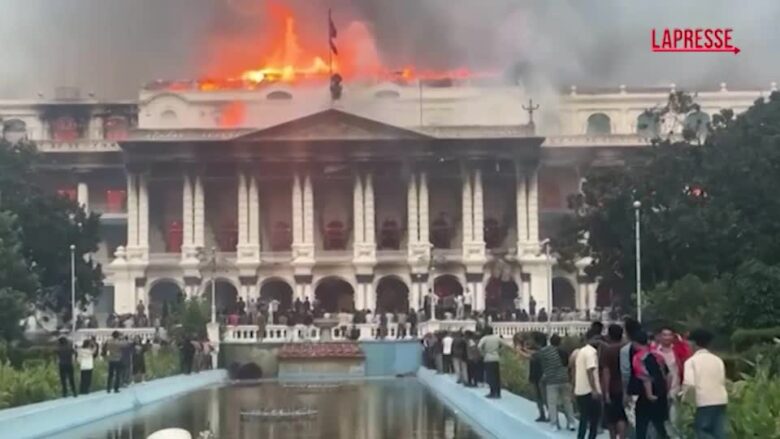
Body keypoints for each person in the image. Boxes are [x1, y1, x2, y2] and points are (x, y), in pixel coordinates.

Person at [683, 328, 728, 439]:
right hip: (721, 400)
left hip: (703, 402)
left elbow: (690, 385)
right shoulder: (718, 360)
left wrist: (686, 401)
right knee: (718, 432)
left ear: (694, 343)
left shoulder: (691, 362)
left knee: (702, 431)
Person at [654, 325, 692, 436]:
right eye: (664, 335)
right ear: (660, 337)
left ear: (673, 336)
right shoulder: (655, 351)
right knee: (660, 419)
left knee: (674, 417)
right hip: (659, 390)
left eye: (669, 335)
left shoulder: (678, 350)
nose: (666, 337)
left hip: (675, 388)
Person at [632, 331, 669, 439]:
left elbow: (645, 377)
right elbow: (666, 374)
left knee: (642, 425)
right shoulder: (657, 355)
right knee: (659, 424)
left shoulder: (638, 357)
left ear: (635, 343)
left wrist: (649, 394)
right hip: (661, 393)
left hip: (647, 396)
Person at [539, 334, 575, 431]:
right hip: (564, 379)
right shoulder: (564, 352)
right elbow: (567, 365)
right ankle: (571, 423)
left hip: (551, 381)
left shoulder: (545, 351)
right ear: (560, 342)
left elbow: (539, 360)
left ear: (550, 342)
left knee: (552, 403)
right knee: (567, 402)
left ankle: (554, 424)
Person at [601, 324, 628, 439]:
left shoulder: (608, 350)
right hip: (625, 386)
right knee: (622, 416)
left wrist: (605, 392)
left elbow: (606, 372)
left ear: (609, 335)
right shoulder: (627, 348)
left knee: (612, 418)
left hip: (612, 387)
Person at [574, 328, 603, 439]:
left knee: (584, 419)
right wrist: (594, 389)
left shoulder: (582, 351)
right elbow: (590, 371)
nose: (598, 342)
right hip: (589, 392)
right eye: (597, 339)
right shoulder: (591, 352)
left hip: (581, 390)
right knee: (594, 420)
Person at [528, 333, 549, 422]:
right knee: (539, 397)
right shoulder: (538, 352)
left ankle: (549, 415)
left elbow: (531, 356)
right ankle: (542, 414)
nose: (530, 341)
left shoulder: (540, 352)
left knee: (544, 397)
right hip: (535, 376)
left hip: (541, 377)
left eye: (532, 340)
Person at [478, 327, 501, 398]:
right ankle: (498, 393)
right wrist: (499, 351)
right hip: (496, 358)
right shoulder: (497, 338)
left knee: (490, 376)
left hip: (488, 358)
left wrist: (483, 353)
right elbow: (504, 344)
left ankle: (492, 392)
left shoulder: (485, 338)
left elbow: (479, 347)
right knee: (497, 376)